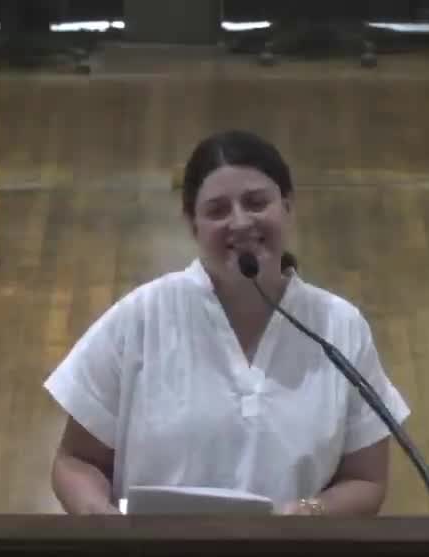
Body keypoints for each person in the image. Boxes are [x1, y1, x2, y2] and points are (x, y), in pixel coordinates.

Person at [43, 129, 410, 516]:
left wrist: (310, 512)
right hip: (153, 555)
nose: (240, 222)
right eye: (217, 210)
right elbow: (77, 461)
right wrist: (99, 517)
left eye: (256, 203)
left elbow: (366, 479)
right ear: (193, 225)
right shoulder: (141, 317)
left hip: (290, 554)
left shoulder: (340, 326)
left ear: (287, 205)